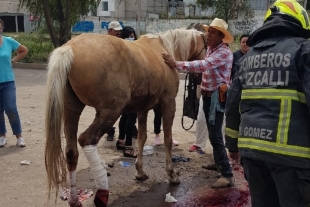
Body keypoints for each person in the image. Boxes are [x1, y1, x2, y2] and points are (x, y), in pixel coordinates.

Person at [225, 0, 310, 206]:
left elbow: (233, 104)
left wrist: (232, 145)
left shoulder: (247, 58)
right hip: (293, 156)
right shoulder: (303, 50)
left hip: (251, 153)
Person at [162, 18, 234, 188]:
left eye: (212, 32)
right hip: (209, 95)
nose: (208, 35)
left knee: (215, 134)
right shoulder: (211, 48)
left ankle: (226, 174)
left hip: (217, 97)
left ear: (221, 36)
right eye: (208, 31)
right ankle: (218, 162)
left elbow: (204, 65)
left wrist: (176, 64)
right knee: (212, 131)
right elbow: (206, 67)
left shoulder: (223, 52)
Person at [0, 19, 28, 148]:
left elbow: (24, 50)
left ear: (2, 28)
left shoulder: (8, 41)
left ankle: (19, 136)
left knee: (11, 109)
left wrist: (13, 60)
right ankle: (2, 136)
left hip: (7, 82)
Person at [115, 26, 138, 158]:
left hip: (124, 87)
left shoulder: (120, 52)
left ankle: (121, 140)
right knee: (130, 117)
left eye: (132, 35)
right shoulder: (131, 53)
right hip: (132, 88)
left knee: (124, 116)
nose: (131, 38)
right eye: (129, 35)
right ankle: (128, 146)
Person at [105, 21, 123, 141]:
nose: (118, 33)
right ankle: (109, 130)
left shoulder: (121, 43)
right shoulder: (105, 43)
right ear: (109, 31)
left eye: (119, 31)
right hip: (107, 80)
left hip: (118, 79)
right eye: (115, 31)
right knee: (106, 109)